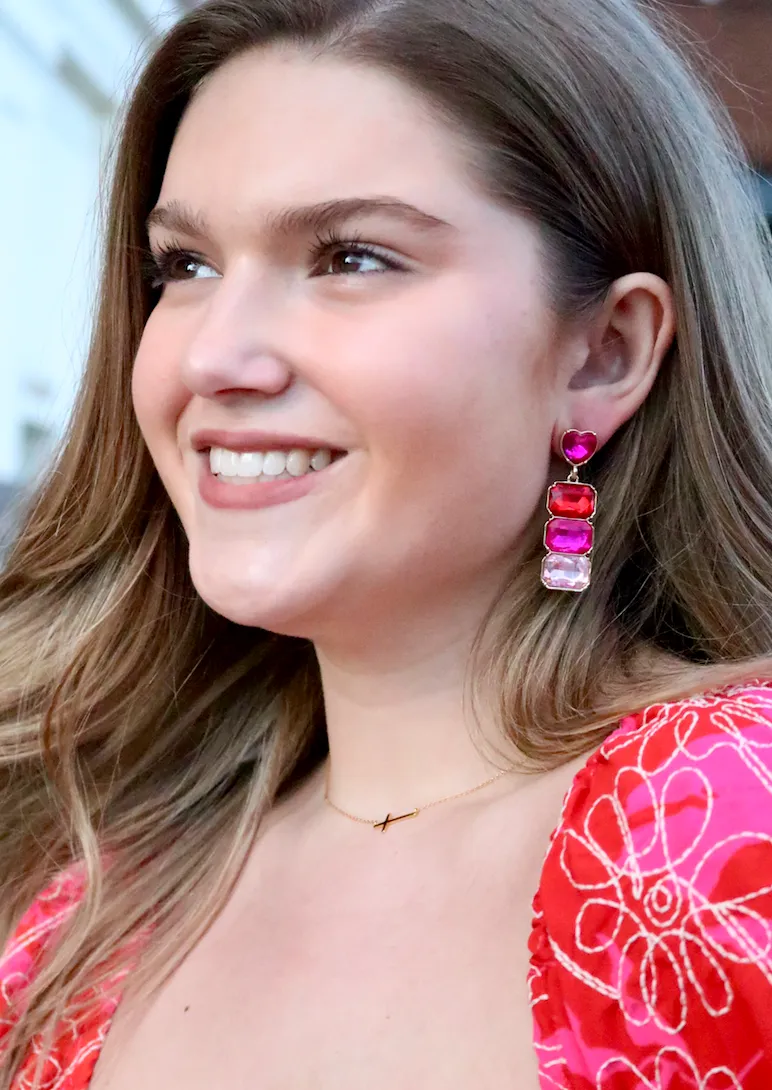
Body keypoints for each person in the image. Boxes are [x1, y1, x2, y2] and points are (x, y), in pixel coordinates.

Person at [2, 0, 772, 1086]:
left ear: (602, 355)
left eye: (351, 257)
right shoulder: (82, 903)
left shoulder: (732, 836)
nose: (216, 355)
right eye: (184, 267)